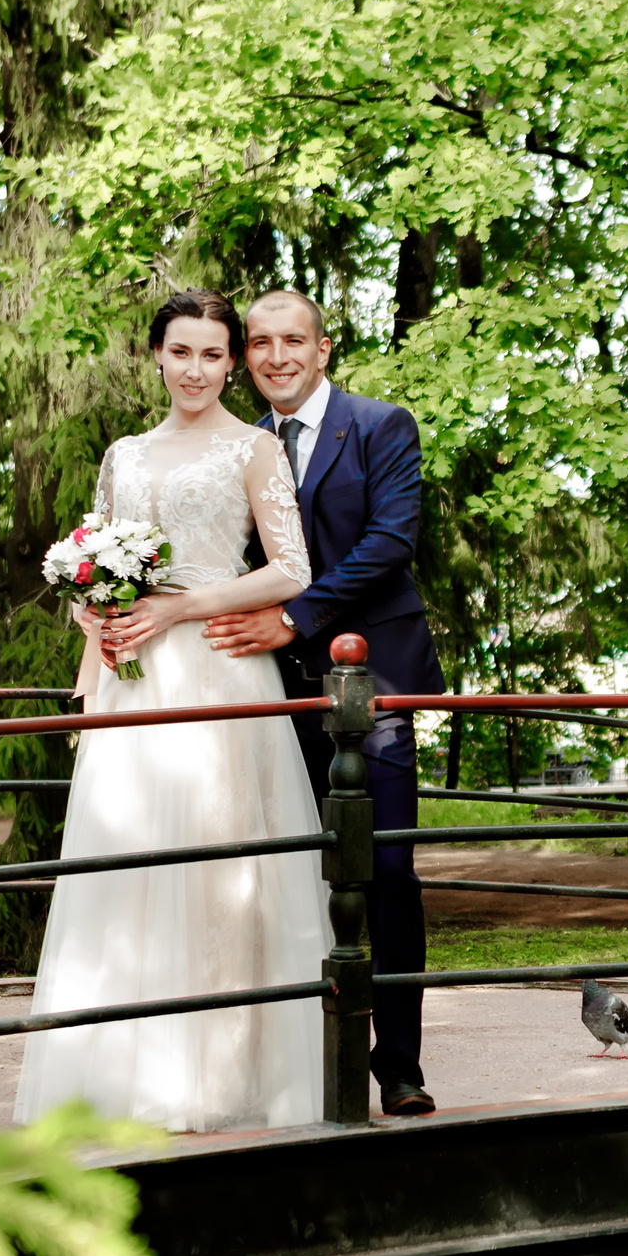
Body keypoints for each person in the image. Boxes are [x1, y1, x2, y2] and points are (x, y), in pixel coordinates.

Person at [13, 288, 325, 1132]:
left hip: (218, 671)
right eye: (180, 351)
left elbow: (291, 569)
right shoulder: (123, 454)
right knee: (130, 863)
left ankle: (215, 1076)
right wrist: (91, 611)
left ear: (233, 363)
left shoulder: (254, 449)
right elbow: (100, 561)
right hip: (132, 674)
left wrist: (182, 608)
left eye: (213, 354)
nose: (195, 369)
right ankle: (119, 1071)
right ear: (156, 355)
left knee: (216, 872)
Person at [202, 288, 445, 1118]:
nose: (276, 357)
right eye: (260, 344)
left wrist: (294, 616)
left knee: (384, 870)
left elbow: (390, 542)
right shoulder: (234, 445)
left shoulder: (382, 426)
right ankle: (304, 1062)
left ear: (324, 347)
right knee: (289, 877)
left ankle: (400, 1065)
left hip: (374, 682)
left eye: (292, 341)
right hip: (272, 694)